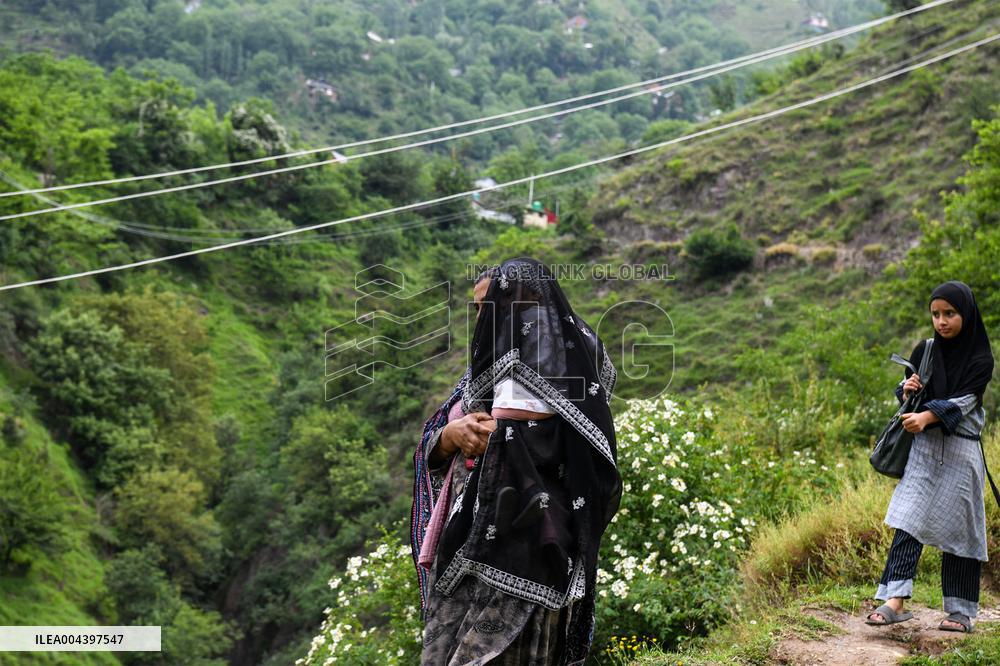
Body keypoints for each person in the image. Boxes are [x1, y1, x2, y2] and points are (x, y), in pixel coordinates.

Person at [410, 257, 621, 664]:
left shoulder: (565, 369)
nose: (482, 320)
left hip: (528, 544)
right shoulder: (484, 374)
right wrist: (450, 437)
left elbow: (575, 450)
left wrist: (507, 436)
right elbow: (430, 445)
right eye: (476, 310)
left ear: (527, 305)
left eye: (493, 305)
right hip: (464, 540)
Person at [866, 280, 994, 633]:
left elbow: (965, 401)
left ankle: (960, 611)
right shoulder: (925, 349)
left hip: (961, 451)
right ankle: (894, 600)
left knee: (961, 531)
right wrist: (906, 390)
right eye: (936, 314)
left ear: (965, 314)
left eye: (949, 313)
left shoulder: (981, 358)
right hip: (922, 451)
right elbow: (910, 394)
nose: (941, 321)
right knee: (908, 519)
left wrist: (927, 416)